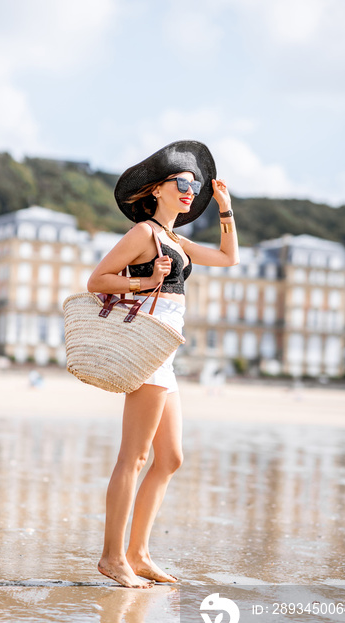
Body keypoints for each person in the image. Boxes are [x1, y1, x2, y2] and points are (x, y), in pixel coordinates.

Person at [87, 141, 239, 588]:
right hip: (147, 349)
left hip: (166, 355)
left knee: (170, 458)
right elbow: (96, 280)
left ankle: (138, 552)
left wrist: (226, 210)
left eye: (194, 184)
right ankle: (113, 557)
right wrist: (145, 279)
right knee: (133, 457)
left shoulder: (176, 239)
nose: (190, 189)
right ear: (157, 189)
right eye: (182, 182)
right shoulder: (144, 235)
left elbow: (229, 258)